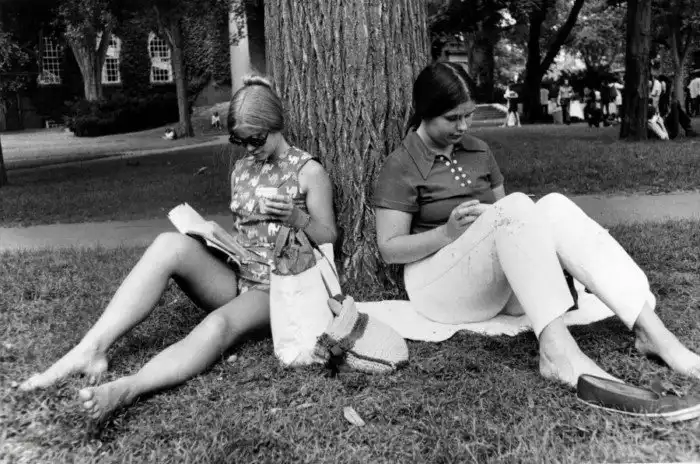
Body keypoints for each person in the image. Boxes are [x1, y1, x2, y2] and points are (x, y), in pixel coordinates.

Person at [18, 76, 338, 421]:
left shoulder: (308, 171)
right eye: (239, 140)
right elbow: (248, 231)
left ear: (276, 125)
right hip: (239, 273)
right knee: (168, 244)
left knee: (218, 324)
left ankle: (128, 388)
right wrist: (217, 240)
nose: (248, 148)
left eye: (255, 139)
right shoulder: (242, 169)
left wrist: (295, 217)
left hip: (278, 288)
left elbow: (329, 237)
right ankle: (91, 348)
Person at [373, 61, 700, 389]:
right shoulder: (401, 164)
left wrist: (497, 217)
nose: (463, 126)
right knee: (517, 205)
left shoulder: (478, 150)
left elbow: (508, 219)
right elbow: (389, 249)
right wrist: (446, 233)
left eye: (468, 115)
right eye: (452, 118)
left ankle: (652, 332)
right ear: (426, 111)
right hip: (437, 288)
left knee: (554, 206)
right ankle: (557, 352)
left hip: (493, 286)